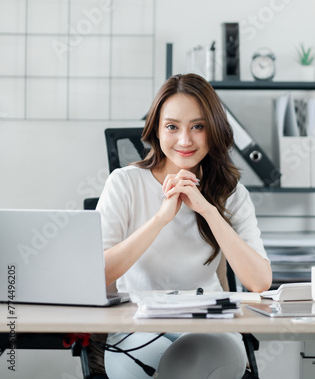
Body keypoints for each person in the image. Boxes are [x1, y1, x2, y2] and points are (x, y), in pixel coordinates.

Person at [97, 73, 272, 379]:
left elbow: (259, 282)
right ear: (156, 130)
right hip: (137, 330)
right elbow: (94, 276)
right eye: (172, 127)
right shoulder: (124, 183)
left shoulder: (231, 193)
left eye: (198, 126)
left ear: (213, 130)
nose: (185, 140)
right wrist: (161, 218)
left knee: (193, 360)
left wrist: (207, 210)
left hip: (213, 329)